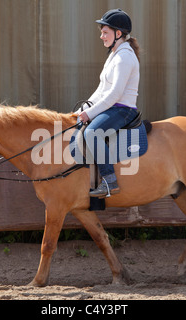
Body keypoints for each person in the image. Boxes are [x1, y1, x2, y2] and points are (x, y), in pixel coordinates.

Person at [76, 8, 141, 198]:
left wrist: (90, 113)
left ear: (118, 34)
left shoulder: (124, 57)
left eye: (105, 32)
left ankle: (110, 181)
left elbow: (114, 94)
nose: (102, 36)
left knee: (92, 132)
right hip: (112, 107)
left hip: (123, 110)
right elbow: (102, 89)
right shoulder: (114, 55)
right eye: (102, 32)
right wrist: (85, 108)